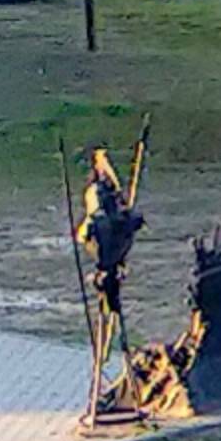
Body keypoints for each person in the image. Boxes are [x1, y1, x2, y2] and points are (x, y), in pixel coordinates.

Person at [76, 143, 146, 367]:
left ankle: (108, 351)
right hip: (107, 257)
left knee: (112, 311)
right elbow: (96, 220)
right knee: (108, 310)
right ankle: (103, 353)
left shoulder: (108, 194)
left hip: (112, 257)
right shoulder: (96, 193)